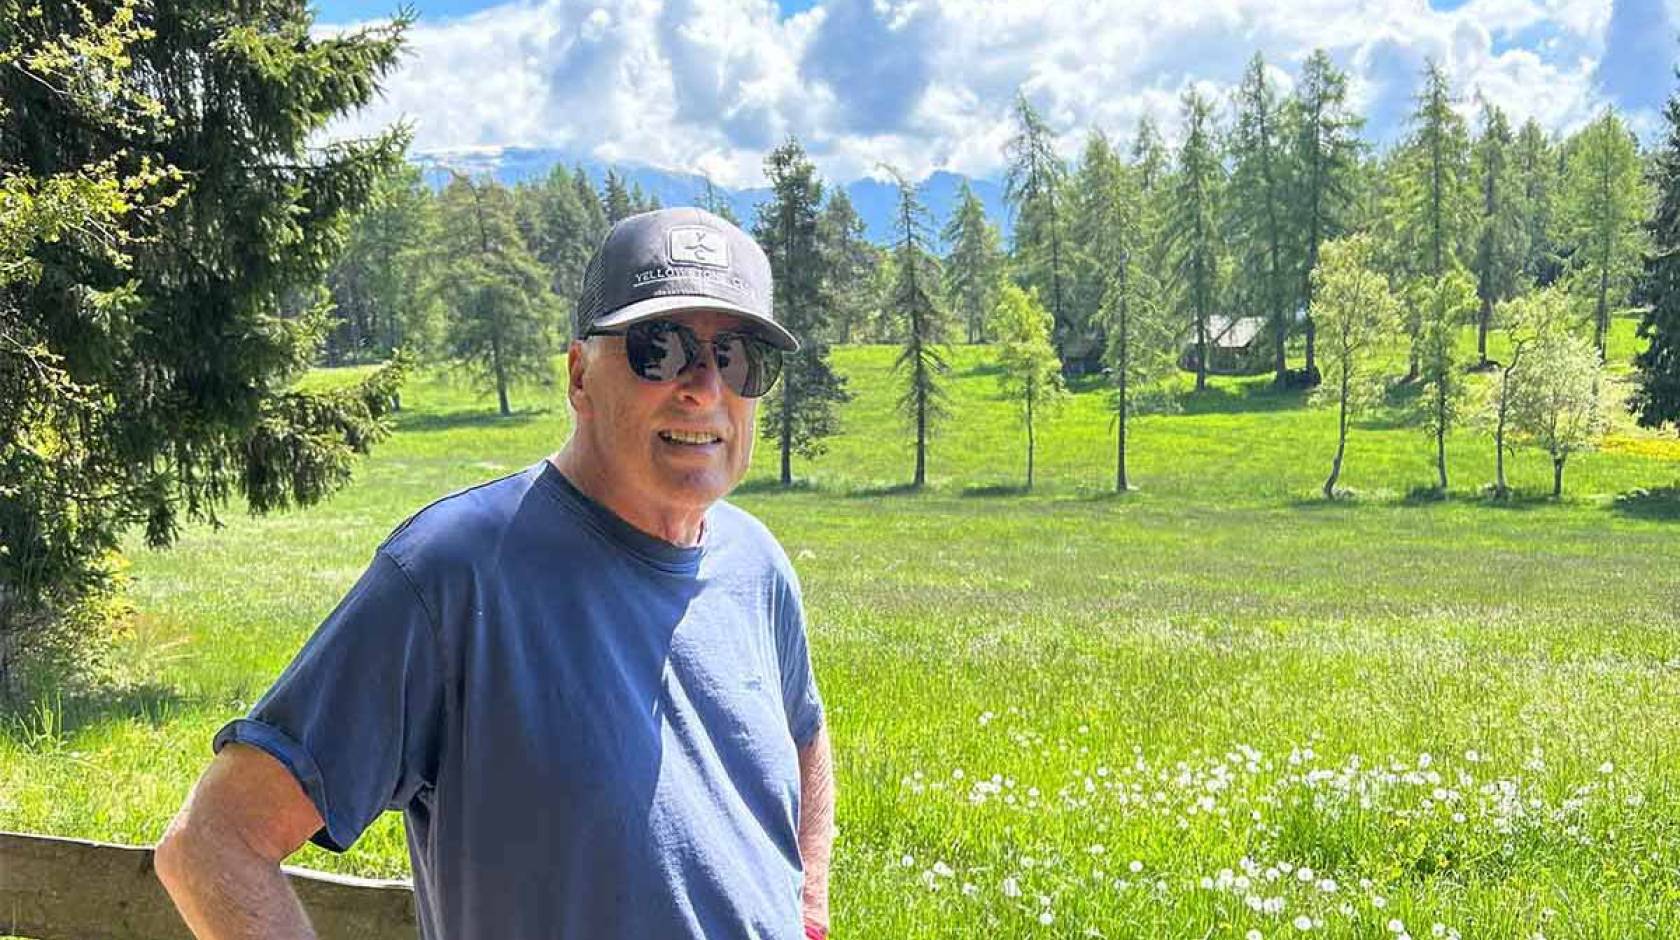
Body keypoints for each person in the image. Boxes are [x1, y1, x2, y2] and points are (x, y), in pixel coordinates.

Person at [155, 207, 836, 940]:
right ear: (581, 376)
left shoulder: (755, 563)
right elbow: (212, 844)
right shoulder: (454, 571)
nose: (704, 388)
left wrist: (806, 906)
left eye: (737, 357)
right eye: (658, 348)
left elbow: (804, 734)